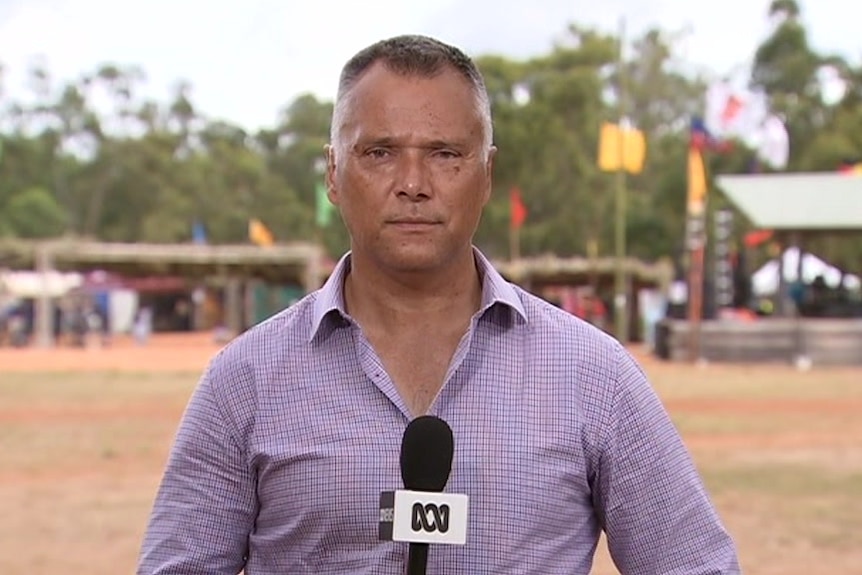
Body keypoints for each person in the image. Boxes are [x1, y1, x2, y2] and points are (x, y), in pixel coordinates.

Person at [137, 35, 741, 574]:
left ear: (487, 174)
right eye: (379, 153)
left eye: (446, 154)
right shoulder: (245, 382)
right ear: (332, 173)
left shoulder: (594, 377)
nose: (413, 182)